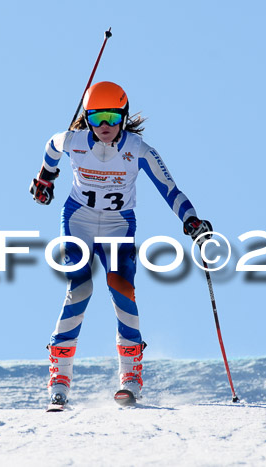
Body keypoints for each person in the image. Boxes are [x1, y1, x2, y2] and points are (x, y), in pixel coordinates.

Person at [30, 81, 212, 407]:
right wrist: (45, 179)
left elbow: (169, 188)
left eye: (113, 118)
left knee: (121, 288)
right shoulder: (73, 141)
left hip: (117, 226)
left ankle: (130, 375)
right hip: (79, 222)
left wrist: (192, 220)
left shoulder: (138, 149)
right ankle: (60, 374)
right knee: (81, 287)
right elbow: (51, 147)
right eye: (97, 117)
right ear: (87, 117)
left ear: (124, 117)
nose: (105, 127)